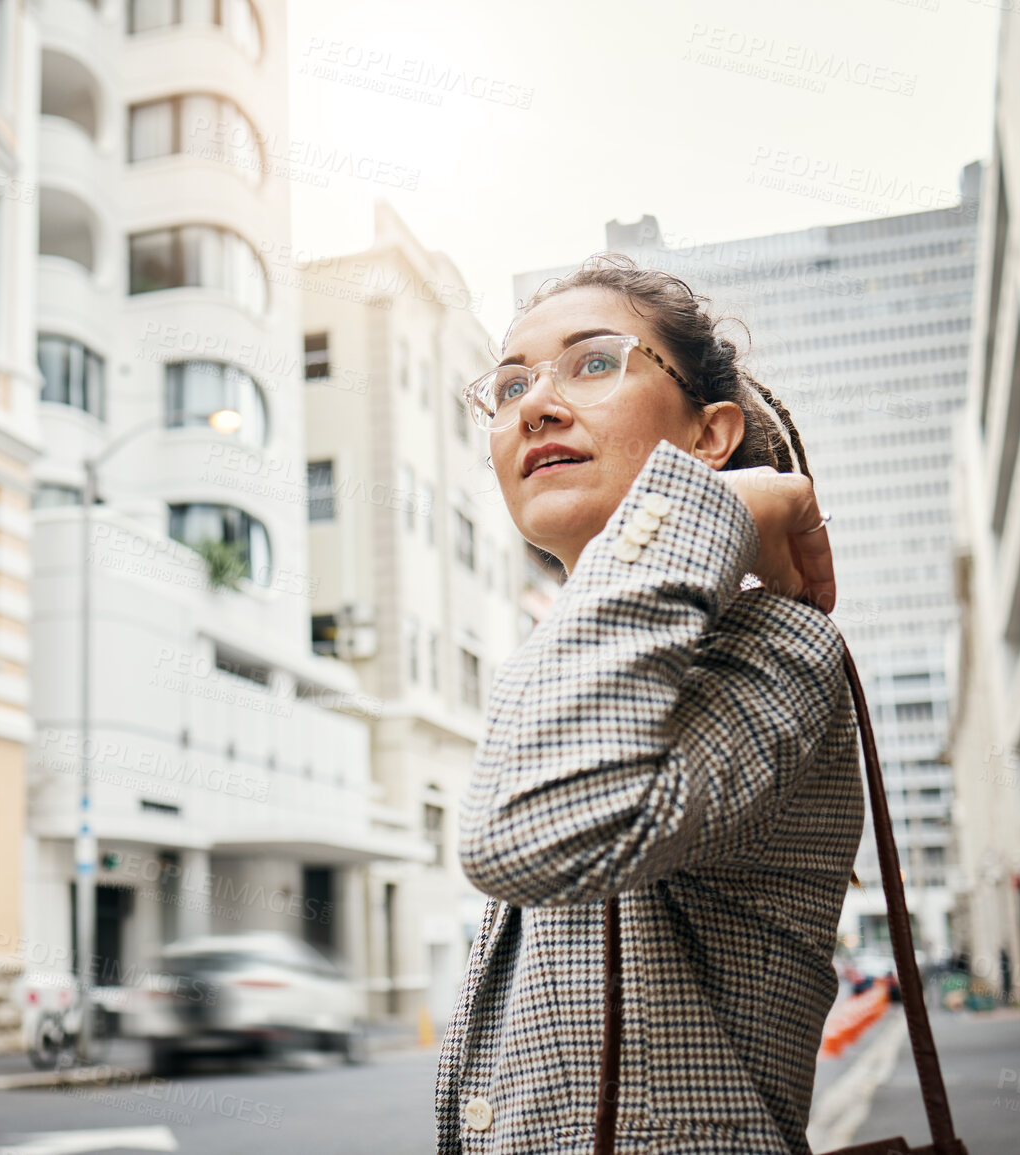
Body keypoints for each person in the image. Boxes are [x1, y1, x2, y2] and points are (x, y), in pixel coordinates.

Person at [438, 255, 861, 1154]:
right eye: (510, 382)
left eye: (593, 362)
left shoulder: (778, 648)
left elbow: (530, 833)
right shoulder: (577, 655)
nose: (534, 405)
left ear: (710, 437)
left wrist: (722, 509)